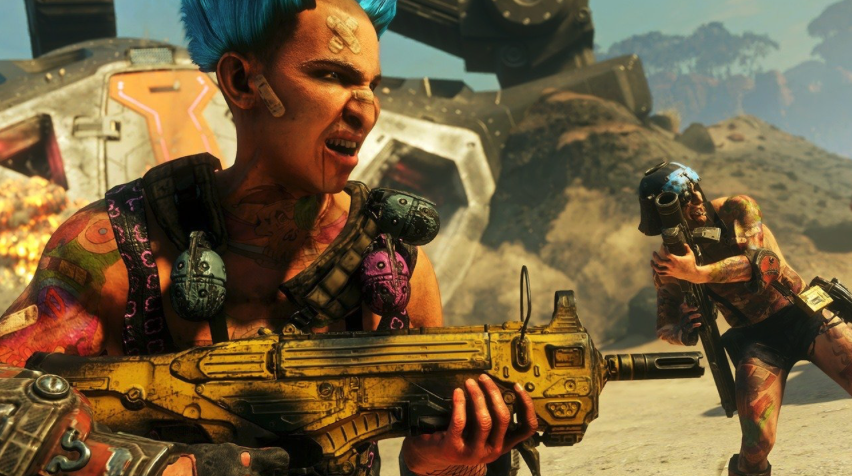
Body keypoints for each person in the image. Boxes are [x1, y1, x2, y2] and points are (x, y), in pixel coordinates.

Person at [0, 1, 536, 475]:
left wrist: (445, 463)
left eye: (371, 85)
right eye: (330, 75)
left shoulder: (389, 269)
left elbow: (442, 457)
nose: (365, 110)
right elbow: (7, 404)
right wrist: (174, 468)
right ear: (241, 81)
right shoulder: (120, 248)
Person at [638, 162, 852, 476]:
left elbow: (761, 264)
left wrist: (697, 273)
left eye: (695, 190)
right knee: (755, 445)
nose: (696, 201)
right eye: (683, 199)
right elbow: (665, 325)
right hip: (758, 341)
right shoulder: (671, 260)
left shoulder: (737, 209)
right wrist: (684, 330)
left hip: (804, 315)